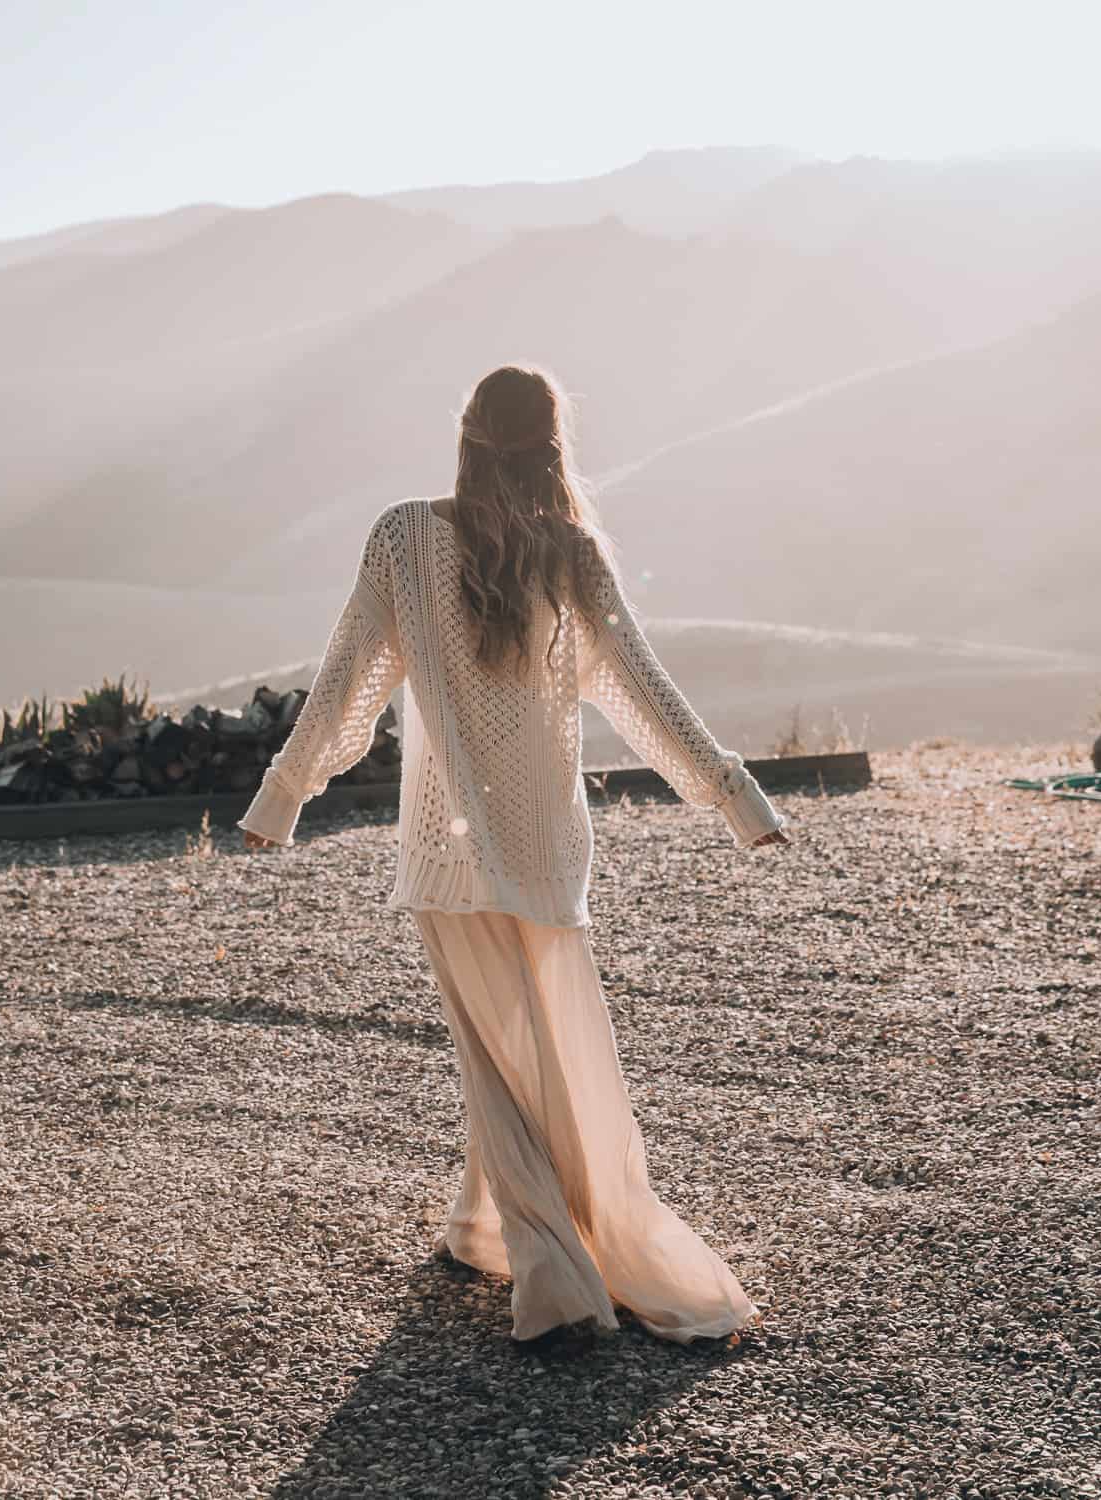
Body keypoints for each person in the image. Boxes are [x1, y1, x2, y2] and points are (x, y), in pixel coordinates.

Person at [238, 363, 790, 1354]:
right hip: (541, 850)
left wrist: (282, 795)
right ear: (551, 448)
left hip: (449, 853)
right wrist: (734, 797)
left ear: (464, 435)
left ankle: (559, 1278)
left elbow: (343, 685)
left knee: (500, 1058)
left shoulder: (405, 538)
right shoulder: (568, 552)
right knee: (535, 1049)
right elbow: (643, 691)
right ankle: (479, 1229)